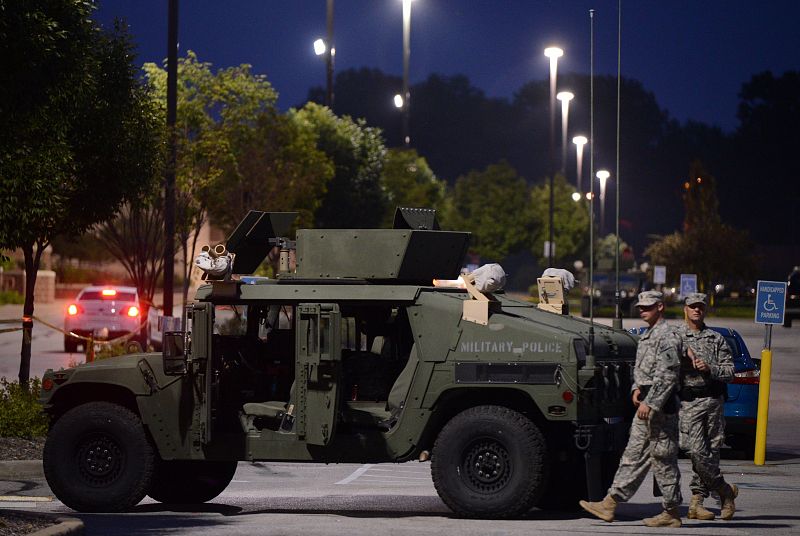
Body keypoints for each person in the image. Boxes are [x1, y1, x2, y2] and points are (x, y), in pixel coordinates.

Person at [579, 290, 684, 527]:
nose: (643, 310)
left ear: (660, 307)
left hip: (660, 409)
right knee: (632, 455)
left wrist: (651, 402)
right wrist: (637, 388)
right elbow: (644, 370)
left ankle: (672, 511)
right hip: (645, 405)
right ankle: (610, 503)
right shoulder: (648, 336)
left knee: (663, 458)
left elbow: (668, 375)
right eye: (640, 307)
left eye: (648, 306)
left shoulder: (667, 336)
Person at [678, 292, 738, 520]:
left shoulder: (716, 338)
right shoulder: (677, 337)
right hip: (689, 402)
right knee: (693, 450)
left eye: (700, 307)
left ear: (705, 310)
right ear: (685, 309)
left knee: (711, 453)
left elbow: (730, 371)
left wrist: (710, 367)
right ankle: (725, 490)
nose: (696, 310)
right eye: (692, 306)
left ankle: (697, 502)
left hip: (713, 402)